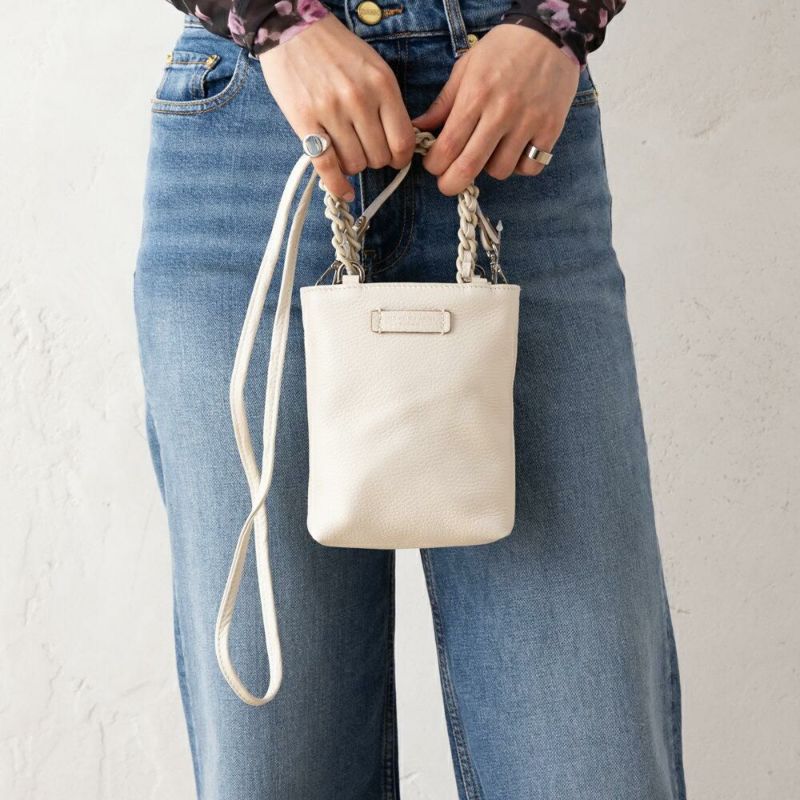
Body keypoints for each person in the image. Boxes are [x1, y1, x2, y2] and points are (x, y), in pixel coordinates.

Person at [133, 1, 688, 797]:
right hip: (260, 129)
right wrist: (273, 20)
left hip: (515, 124)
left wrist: (559, 23)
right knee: (275, 764)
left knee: (589, 760)